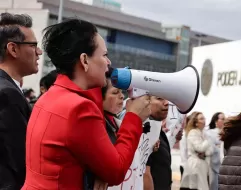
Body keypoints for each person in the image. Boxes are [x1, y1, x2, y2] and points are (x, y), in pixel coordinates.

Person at [22, 18, 151, 190]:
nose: (108, 62)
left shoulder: (50, 96)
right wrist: (134, 117)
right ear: (84, 60)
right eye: (104, 55)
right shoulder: (80, 108)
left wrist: (97, 172)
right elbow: (116, 171)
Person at [0, 13, 42, 189]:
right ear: (13, 49)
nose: (39, 52)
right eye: (33, 45)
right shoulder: (7, 95)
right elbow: (16, 163)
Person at [143, 97, 173, 190]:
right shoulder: (145, 130)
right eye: (159, 99)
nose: (166, 103)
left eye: (166, 99)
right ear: (146, 101)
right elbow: (144, 173)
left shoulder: (157, 130)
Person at [180, 112, 213, 190]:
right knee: (196, 187)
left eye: (204, 118)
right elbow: (200, 148)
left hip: (201, 165)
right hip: (195, 165)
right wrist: (209, 141)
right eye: (201, 119)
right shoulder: (193, 133)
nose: (204, 120)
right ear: (196, 123)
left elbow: (210, 151)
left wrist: (205, 153)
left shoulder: (203, 133)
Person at [205, 112, 225, 190]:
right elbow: (210, 148)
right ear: (216, 121)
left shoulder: (226, 132)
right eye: (222, 119)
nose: (224, 121)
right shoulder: (210, 133)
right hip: (212, 164)